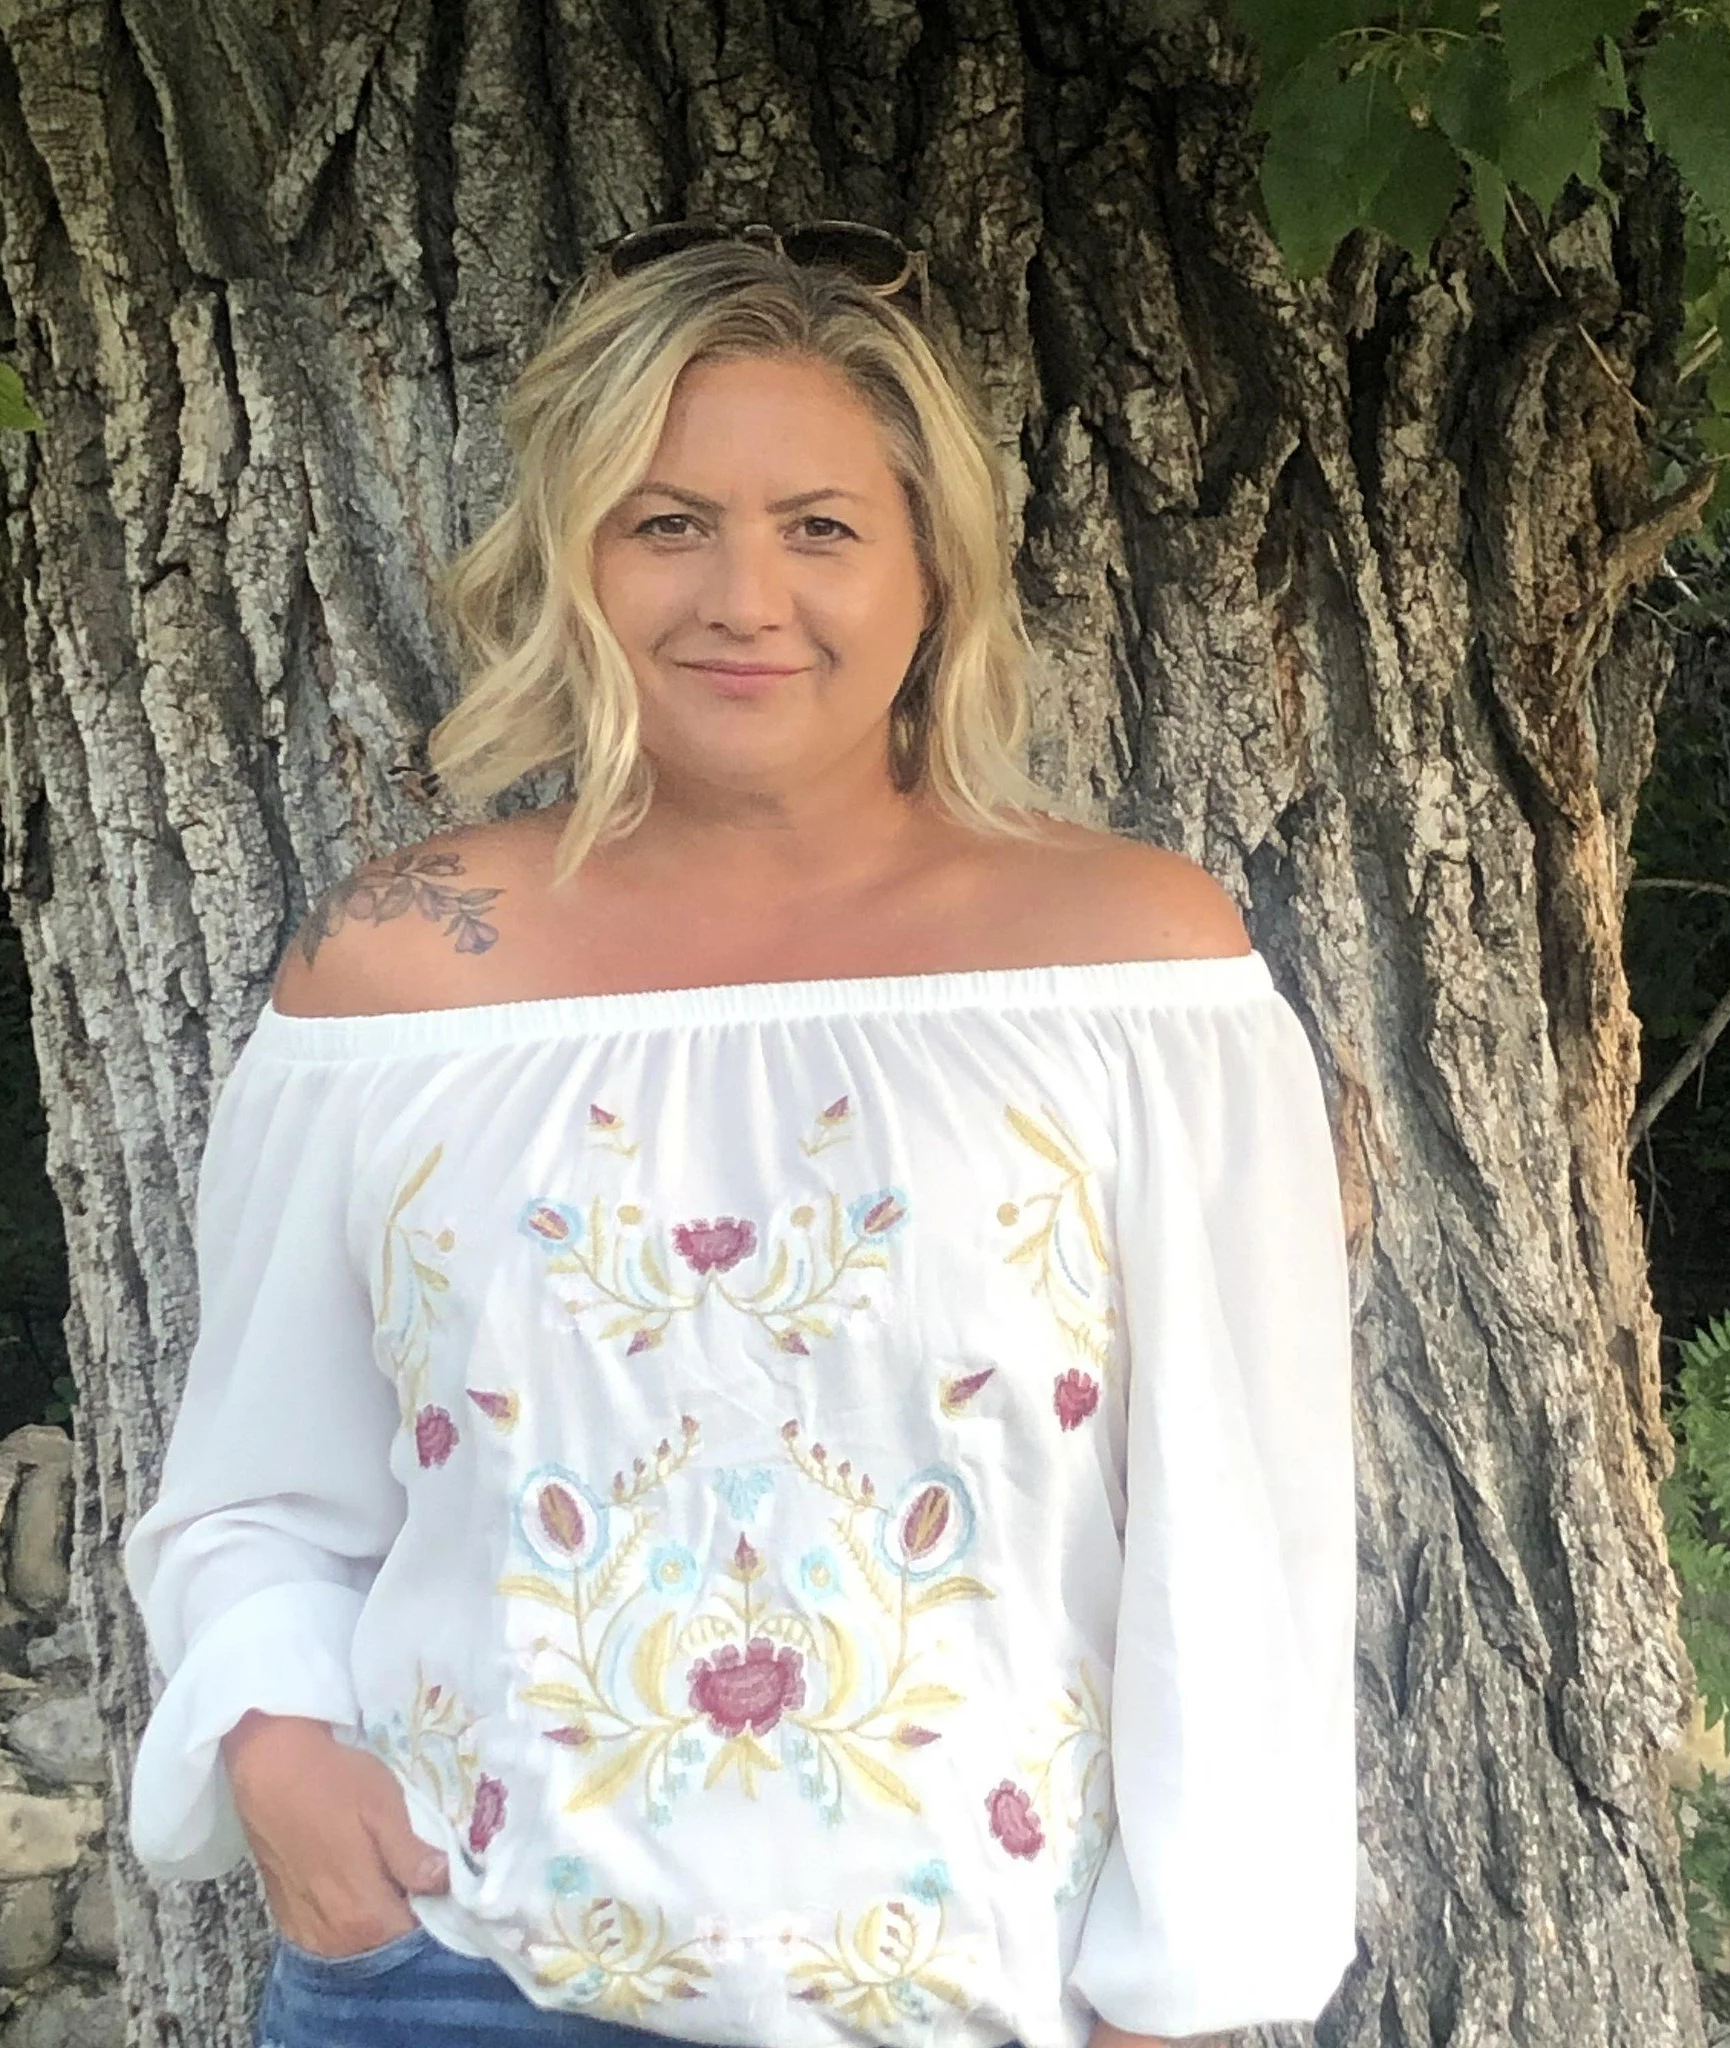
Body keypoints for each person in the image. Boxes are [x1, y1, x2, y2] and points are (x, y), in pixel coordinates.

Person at [122, 223, 1358, 2048]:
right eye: (668, 523)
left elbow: (1244, 1540)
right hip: (457, 1980)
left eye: (822, 527)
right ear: (574, 561)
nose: (744, 598)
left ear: (934, 570)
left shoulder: (1135, 977)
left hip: (988, 2006)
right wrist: (281, 1754)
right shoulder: (396, 975)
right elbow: (257, 1489)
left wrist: (1174, 2000)